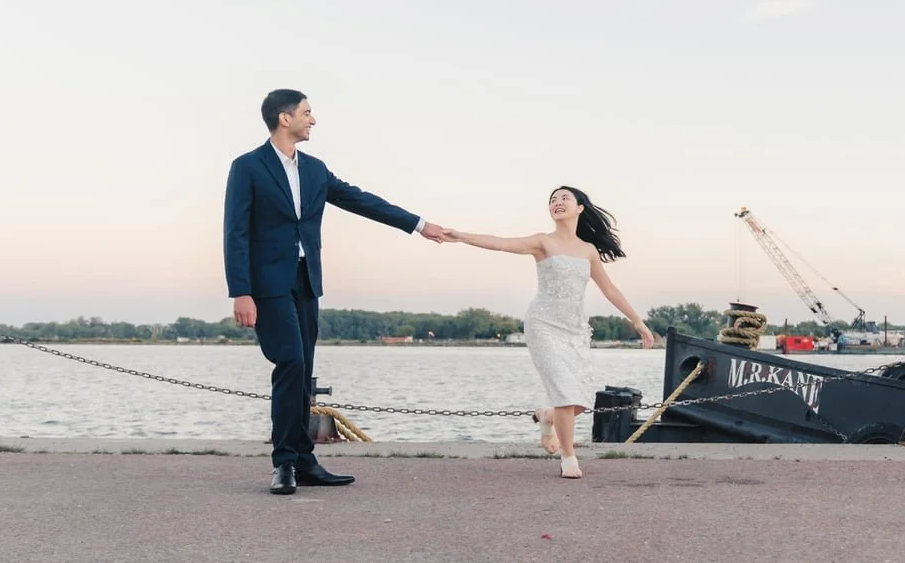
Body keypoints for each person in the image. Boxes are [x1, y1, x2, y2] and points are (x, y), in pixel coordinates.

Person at [224, 89, 450, 495]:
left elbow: (359, 200)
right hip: (267, 285)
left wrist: (418, 225)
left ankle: (304, 460)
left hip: (307, 280)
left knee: (303, 369)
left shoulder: (315, 169)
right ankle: (284, 463)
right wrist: (241, 291)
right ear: (284, 118)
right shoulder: (247, 167)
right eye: (307, 113)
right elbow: (235, 231)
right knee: (290, 363)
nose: (313, 120)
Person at [446, 187, 654, 479]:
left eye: (564, 198)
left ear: (580, 208)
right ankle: (569, 458)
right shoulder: (543, 242)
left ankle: (546, 417)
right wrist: (461, 236)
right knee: (565, 394)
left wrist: (637, 321)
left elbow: (609, 289)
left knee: (577, 402)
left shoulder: (588, 250)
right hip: (543, 326)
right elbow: (502, 243)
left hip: (574, 330)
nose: (557, 202)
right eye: (553, 200)